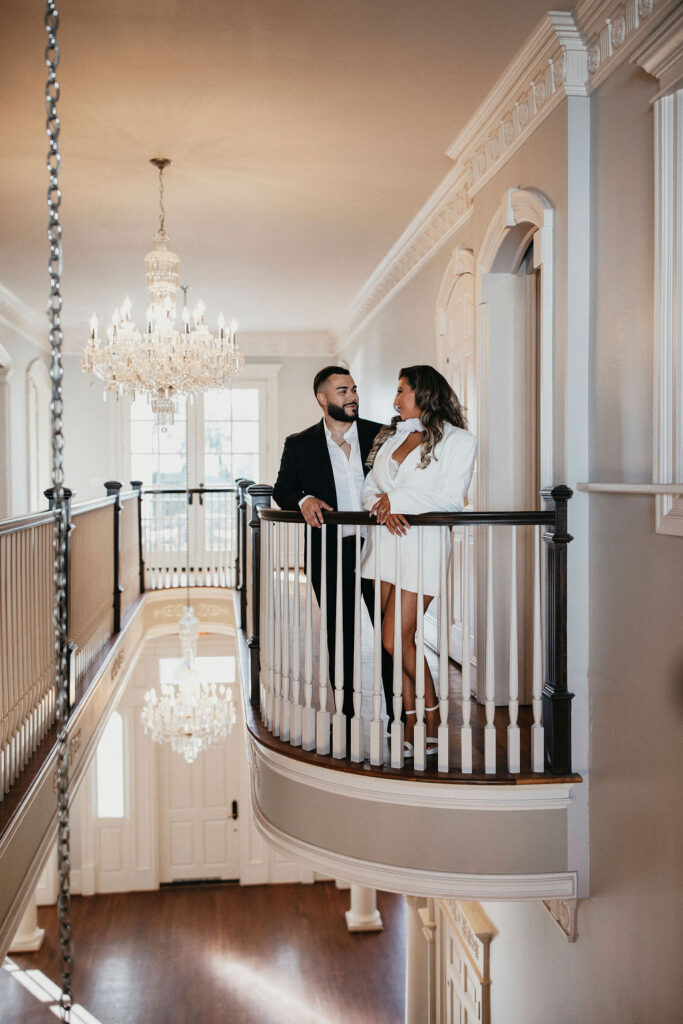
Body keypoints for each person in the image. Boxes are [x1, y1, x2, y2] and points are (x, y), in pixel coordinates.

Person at [360, 365, 478, 757]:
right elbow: (370, 489)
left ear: (424, 393)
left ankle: (433, 714)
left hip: (422, 546)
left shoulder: (460, 441)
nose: (395, 401)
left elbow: (451, 500)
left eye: (401, 391)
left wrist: (398, 501)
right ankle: (408, 719)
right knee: (399, 641)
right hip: (385, 545)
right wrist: (381, 505)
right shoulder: (391, 435)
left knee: (394, 637)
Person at [272, 366, 394, 730]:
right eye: (343, 391)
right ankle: (346, 717)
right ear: (322, 399)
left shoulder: (381, 436)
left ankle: (399, 718)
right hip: (330, 552)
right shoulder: (300, 443)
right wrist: (305, 498)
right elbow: (282, 490)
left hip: (381, 551)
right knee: (341, 638)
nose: (352, 396)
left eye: (354, 389)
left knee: (390, 637)